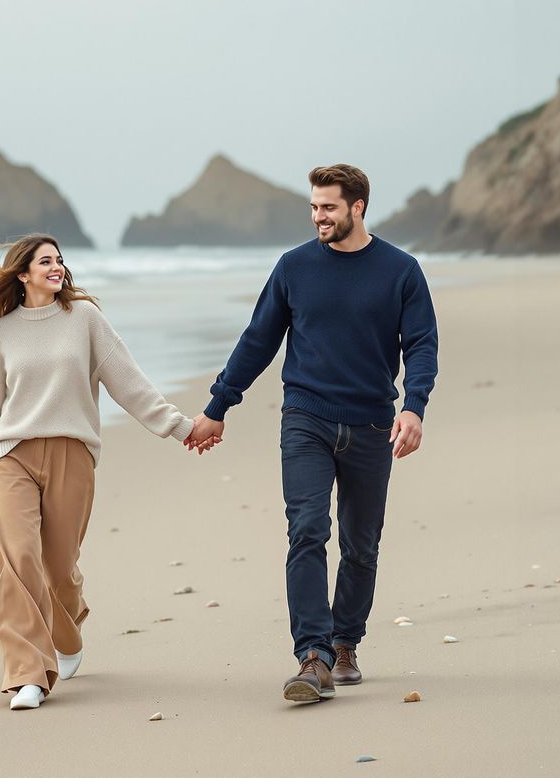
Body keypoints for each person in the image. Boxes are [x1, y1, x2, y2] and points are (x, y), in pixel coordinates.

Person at [186, 164, 438, 703]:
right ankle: (313, 656)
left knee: (361, 545)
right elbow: (258, 341)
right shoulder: (293, 268)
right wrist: (218, 406)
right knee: (306, 531)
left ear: (358, 207)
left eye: (328, 207)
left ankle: (346, 642)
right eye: (314, 207)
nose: (318, 216)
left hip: (373, 422)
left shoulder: (401, 271)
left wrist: (414, 407)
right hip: (306, 417)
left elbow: (421, 345)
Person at [0, 233, 199, 710]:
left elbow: (129, 382)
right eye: (45, 262)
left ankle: (68, 630)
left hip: (71, 453)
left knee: (58, 567)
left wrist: (180, 427)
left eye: (59, 260)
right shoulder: (0, 334)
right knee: (18, 559)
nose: (56, 268)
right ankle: (28, 676)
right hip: (11, 455)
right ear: (23, 274)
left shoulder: (84, 319)